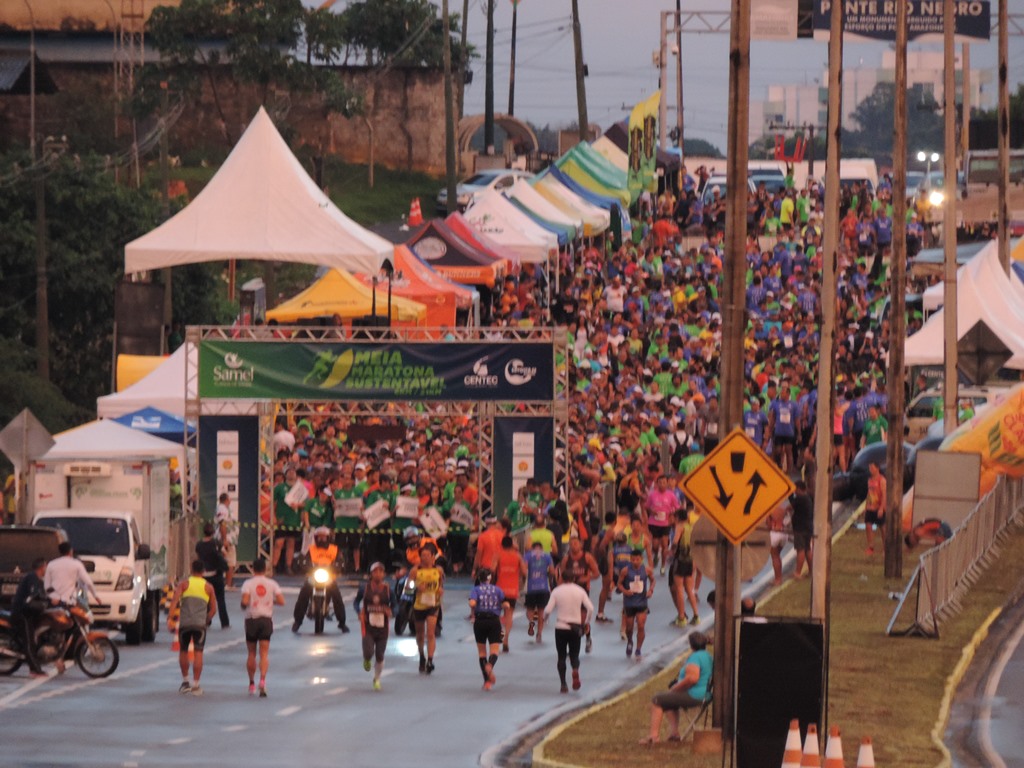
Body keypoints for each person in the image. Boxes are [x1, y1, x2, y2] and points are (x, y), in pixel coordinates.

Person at [640, 631, 713, 745]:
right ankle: (674, 734)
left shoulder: (695, 657)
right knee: (669, 701)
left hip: (695, 695)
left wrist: (676, 688)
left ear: (691, 644)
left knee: (657, 699)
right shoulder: (708, 656)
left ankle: (653, 736)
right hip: (705, 694)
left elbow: (692, 679)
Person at [168, 559, 217, 695]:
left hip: (185, 624)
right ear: (203, 571)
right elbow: (213, 609)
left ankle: (185, 682)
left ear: (191, 569)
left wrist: (170, 618)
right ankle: (196, 684)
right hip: (200, 625)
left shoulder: (184, 584)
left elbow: (174, 601)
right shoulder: (208, 587)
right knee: (198, 653)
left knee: (183, 651)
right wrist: (206, 619)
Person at [543, 570, 594, 694]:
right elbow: (590, 608)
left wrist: (545, 619)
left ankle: (563, 685)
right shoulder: (580, 591)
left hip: (561, 626)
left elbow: (548, 609)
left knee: (561, 656)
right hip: (575, 627)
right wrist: (586, 622)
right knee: (574, 654)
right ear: (574, 579)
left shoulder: (557, 591)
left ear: (561, 578)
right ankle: (575, 669)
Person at [240, 557, 285, 698]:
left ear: (253, 568)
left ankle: (251, 683)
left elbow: (245, 601)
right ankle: (263, 681)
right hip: (266, 620)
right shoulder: (272, 584)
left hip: (252, 619)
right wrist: (270, 601)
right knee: (264, 653)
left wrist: (244, 605)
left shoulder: (248, 583)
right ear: (265, 569)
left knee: (251, 653)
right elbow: (282, 601)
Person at [292, 527, 348, 633]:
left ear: (328, 538)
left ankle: (342, 623)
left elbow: (341, 562)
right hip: (314, 576)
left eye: (324, 537)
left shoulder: (334, 549)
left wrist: (338, 567)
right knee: (303, 594)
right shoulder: (311, 549)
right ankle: (297, 621)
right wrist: (305, 567)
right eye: (319, 537)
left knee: (337, 597)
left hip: (329, 577)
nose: (321, 540)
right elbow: (303, 561)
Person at [468, 568, 509, 691]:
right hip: (494, 621)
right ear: (491, 578)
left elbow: (472, 603)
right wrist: (503, 608)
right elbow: (505, 604)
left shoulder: (475, 590)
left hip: (480, 621)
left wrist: (472, 605)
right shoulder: (497, 589)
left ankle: (486, 682)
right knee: (495, 650)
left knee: (481, 652)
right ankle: (490, 665)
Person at [560, 535, 600, 653]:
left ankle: (588, 638)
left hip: (583, 592)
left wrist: (587, 578)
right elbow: (561, 576)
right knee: (570, 621)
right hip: (569, 593)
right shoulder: (566, 559)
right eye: (571, 544)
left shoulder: (587, 558)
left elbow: (597, 574)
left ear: (581, 544)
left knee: (582, 620)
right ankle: (570, 646)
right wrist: (558, 590)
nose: (574, 546)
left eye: (576, 543)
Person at [11, 558, 48, 676]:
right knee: (29, 642)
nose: (46, 569)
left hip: (30, 613)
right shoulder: (32, 578)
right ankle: (35, 670)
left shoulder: (39, 580)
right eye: (46, 566)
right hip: (23, 613)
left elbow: (43, 595)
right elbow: (33, 595)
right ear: (41, 567)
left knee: (33, 640)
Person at [410, 542, 444, 674]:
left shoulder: (438, 570)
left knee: (430, 633)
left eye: (427, 555)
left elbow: (441, 583)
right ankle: (422, 656)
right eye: (422, 555)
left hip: (433, 605)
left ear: (432, 557)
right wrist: (416, 587)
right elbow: (407, 589)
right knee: (420, 634)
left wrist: (440, 589)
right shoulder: (415, 571)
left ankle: (430, 660)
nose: (424, 558)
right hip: (419, 605)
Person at [359, 561, 392, 691]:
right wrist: (359, 612)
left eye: (380, 571)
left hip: (383, 627)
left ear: (384, 574)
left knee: (380, 655)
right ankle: (367, 658)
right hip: (368, 625)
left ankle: (377, 679)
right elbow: (356, 602)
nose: (378, 574)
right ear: (371, 574)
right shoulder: (365, 588)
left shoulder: (388, 590)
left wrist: (391, 611)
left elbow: (395, 605)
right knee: (368, 652)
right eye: (375, 571)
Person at [618, 549, 654, 660]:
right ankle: (630, 641)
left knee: (641, 625)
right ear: (630, 559)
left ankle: (638, 649)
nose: (635, 561)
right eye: (633, 559)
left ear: (641, 559)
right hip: (629, 603)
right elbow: (619, 584)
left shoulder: (646, 570)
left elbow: (653, 581)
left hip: (642, 601)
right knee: (629, 628)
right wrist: (625, 591)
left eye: (637, 559)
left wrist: (650, 591)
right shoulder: (625, 571)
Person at [494, 535, 526, 653]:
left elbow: (492, 570)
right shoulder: (517, 557)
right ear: (512, 545)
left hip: (499, 590)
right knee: (509, 615)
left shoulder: (498, 555)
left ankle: (497, 636)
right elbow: (524, 571)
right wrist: (521, 581)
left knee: (496, 614)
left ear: (502, 545)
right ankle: (506, 639)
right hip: (512, 590)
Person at [195, 522, 230, 629]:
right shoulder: (216, 543)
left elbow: (197, 557)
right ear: (213, 532)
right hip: (216, 574)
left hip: (204, 575)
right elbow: (224, 554)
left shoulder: (199, 544)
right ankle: (224, 622)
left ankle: (206, 620)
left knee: (204, 599)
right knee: (220, 599)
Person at [669, 508, 700, 626]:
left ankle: (681, 617)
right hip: (691, 559)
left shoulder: (679, 527)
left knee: (679, 588)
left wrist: (671, 552)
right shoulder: (691, 527)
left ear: (677, 518)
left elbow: (675, 542)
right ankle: (696, 615)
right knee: (689, 589)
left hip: (680, 559)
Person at [523, 540, 555, 643]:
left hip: (531, 587)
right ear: (541, 548)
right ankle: (539, 633)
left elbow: (524, 570)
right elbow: (552, 571)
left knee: (529, 610)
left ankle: (531, 622)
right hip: (543, 587)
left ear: (532, 548)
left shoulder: (528, 555)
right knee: (541, 612)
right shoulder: (547, 556)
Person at [789, 480, 813, 578]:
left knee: (800, 549)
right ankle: (811, 571)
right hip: (808, 527)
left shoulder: (800, 498)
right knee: (807, 549)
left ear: (799, 489)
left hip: (800, 528)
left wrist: (789, 494)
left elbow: (790, 506)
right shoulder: (807, 497)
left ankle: (798, 572)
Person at [214, 492, 238, 589]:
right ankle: (227, 584)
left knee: (228, 562)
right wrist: (224, 540)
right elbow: (222, 524)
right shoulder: (222, 508)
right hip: (225, 540)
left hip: (229, 539)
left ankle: (227, 583)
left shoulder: (225, 509)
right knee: (230, 562)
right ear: (227, 500)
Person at [864, 461, 886, 555]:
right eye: (870, 468)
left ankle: (886, 548)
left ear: (877, 468)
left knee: (883, 528)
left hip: (879, 507)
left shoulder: (882, 480)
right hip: (870, 507)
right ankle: (870, 546)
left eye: (872, 468)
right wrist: (866, 505)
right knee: (868, 526)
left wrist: (882, 508)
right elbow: (869, 493)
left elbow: (884, 495)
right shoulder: (870, 480)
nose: (871, 470)